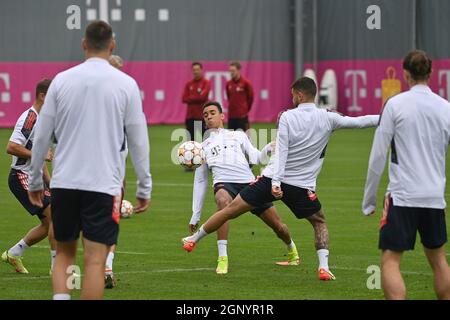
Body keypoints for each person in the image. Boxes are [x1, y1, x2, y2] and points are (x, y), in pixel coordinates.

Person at [182, 77, 379, 281]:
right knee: (319, 220)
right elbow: (360, 121)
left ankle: (194, 239)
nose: (291, 97)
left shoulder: (287, 117)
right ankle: (324, 267)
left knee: (230, 211)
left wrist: (275, 182)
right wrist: (385, 117)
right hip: (301, 186)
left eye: (293, 94)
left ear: (300, 95)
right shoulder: (329, 118)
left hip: (271, 180)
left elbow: (281, 152)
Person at [27, 20, 152, 300]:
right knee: (95, 262)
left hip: (65, 184)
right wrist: (144, 187)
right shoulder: (126, 84)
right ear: (112, 45)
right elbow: (138, 140)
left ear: (84, 44)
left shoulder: (61, 80)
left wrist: (35, 179)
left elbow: (43, 135)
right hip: (102, 186)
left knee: (64, 256)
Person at [362, 50, 450, 300]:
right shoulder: (445, 108)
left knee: (390, 260)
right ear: (430, 74)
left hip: (403, 196)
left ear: (405, 74)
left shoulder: (395, 104)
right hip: (433, 197)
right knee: (438, 260)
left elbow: (378, 155)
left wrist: (369, 200)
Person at [188, 101, 299, 274]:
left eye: (212, 113)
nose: (209, 117)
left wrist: (268, 148)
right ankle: (222, 258)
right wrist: (195, 215)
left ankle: (292, 250)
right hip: (224, 183)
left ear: (222, 116)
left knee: (278, 226)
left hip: (249, 184)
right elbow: (201, 180)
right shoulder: (202, 147)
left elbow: (255, 157)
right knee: (222, 202)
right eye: (205, 115)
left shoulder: (238, 136)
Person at [2, 79, 56, 274]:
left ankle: (14, 253)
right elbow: (11, 147)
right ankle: (57, 269)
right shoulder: (30, 118)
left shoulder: (44, 120)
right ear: (43, 96)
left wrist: (51, 184)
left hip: (33, 176)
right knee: (55, 218)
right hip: (20, 177)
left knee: (49, 223)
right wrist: (40, 154)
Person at [103, 54, 125, 289]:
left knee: (104, 224)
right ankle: (105, 267)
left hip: (112, 175)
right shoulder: (122, 96)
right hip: (106, 176)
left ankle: (105, 267)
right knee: (107, 223)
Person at [182, 62, 210, 142]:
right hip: (190, 117)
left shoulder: (206, 83)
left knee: (206, 141)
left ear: (201, 70)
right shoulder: (189, 84)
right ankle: (191, 155)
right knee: (190, 142)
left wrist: (191, 97)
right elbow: (184, 98)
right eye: (194, 70)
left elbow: (203, 97)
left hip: (202, 117)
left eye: (197, 69)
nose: (196, 71)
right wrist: (197, 96)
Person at [226, 61, 254, 132]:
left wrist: (244, 109)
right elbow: (229, 97)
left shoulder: (246, 83)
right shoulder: (228, 84)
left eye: (233, 71)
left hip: (242, 117)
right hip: (231, 116)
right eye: (230, 71)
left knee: (243, 138)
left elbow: (250, 98)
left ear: (238, 70)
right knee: (231, 139)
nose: (231, 73)